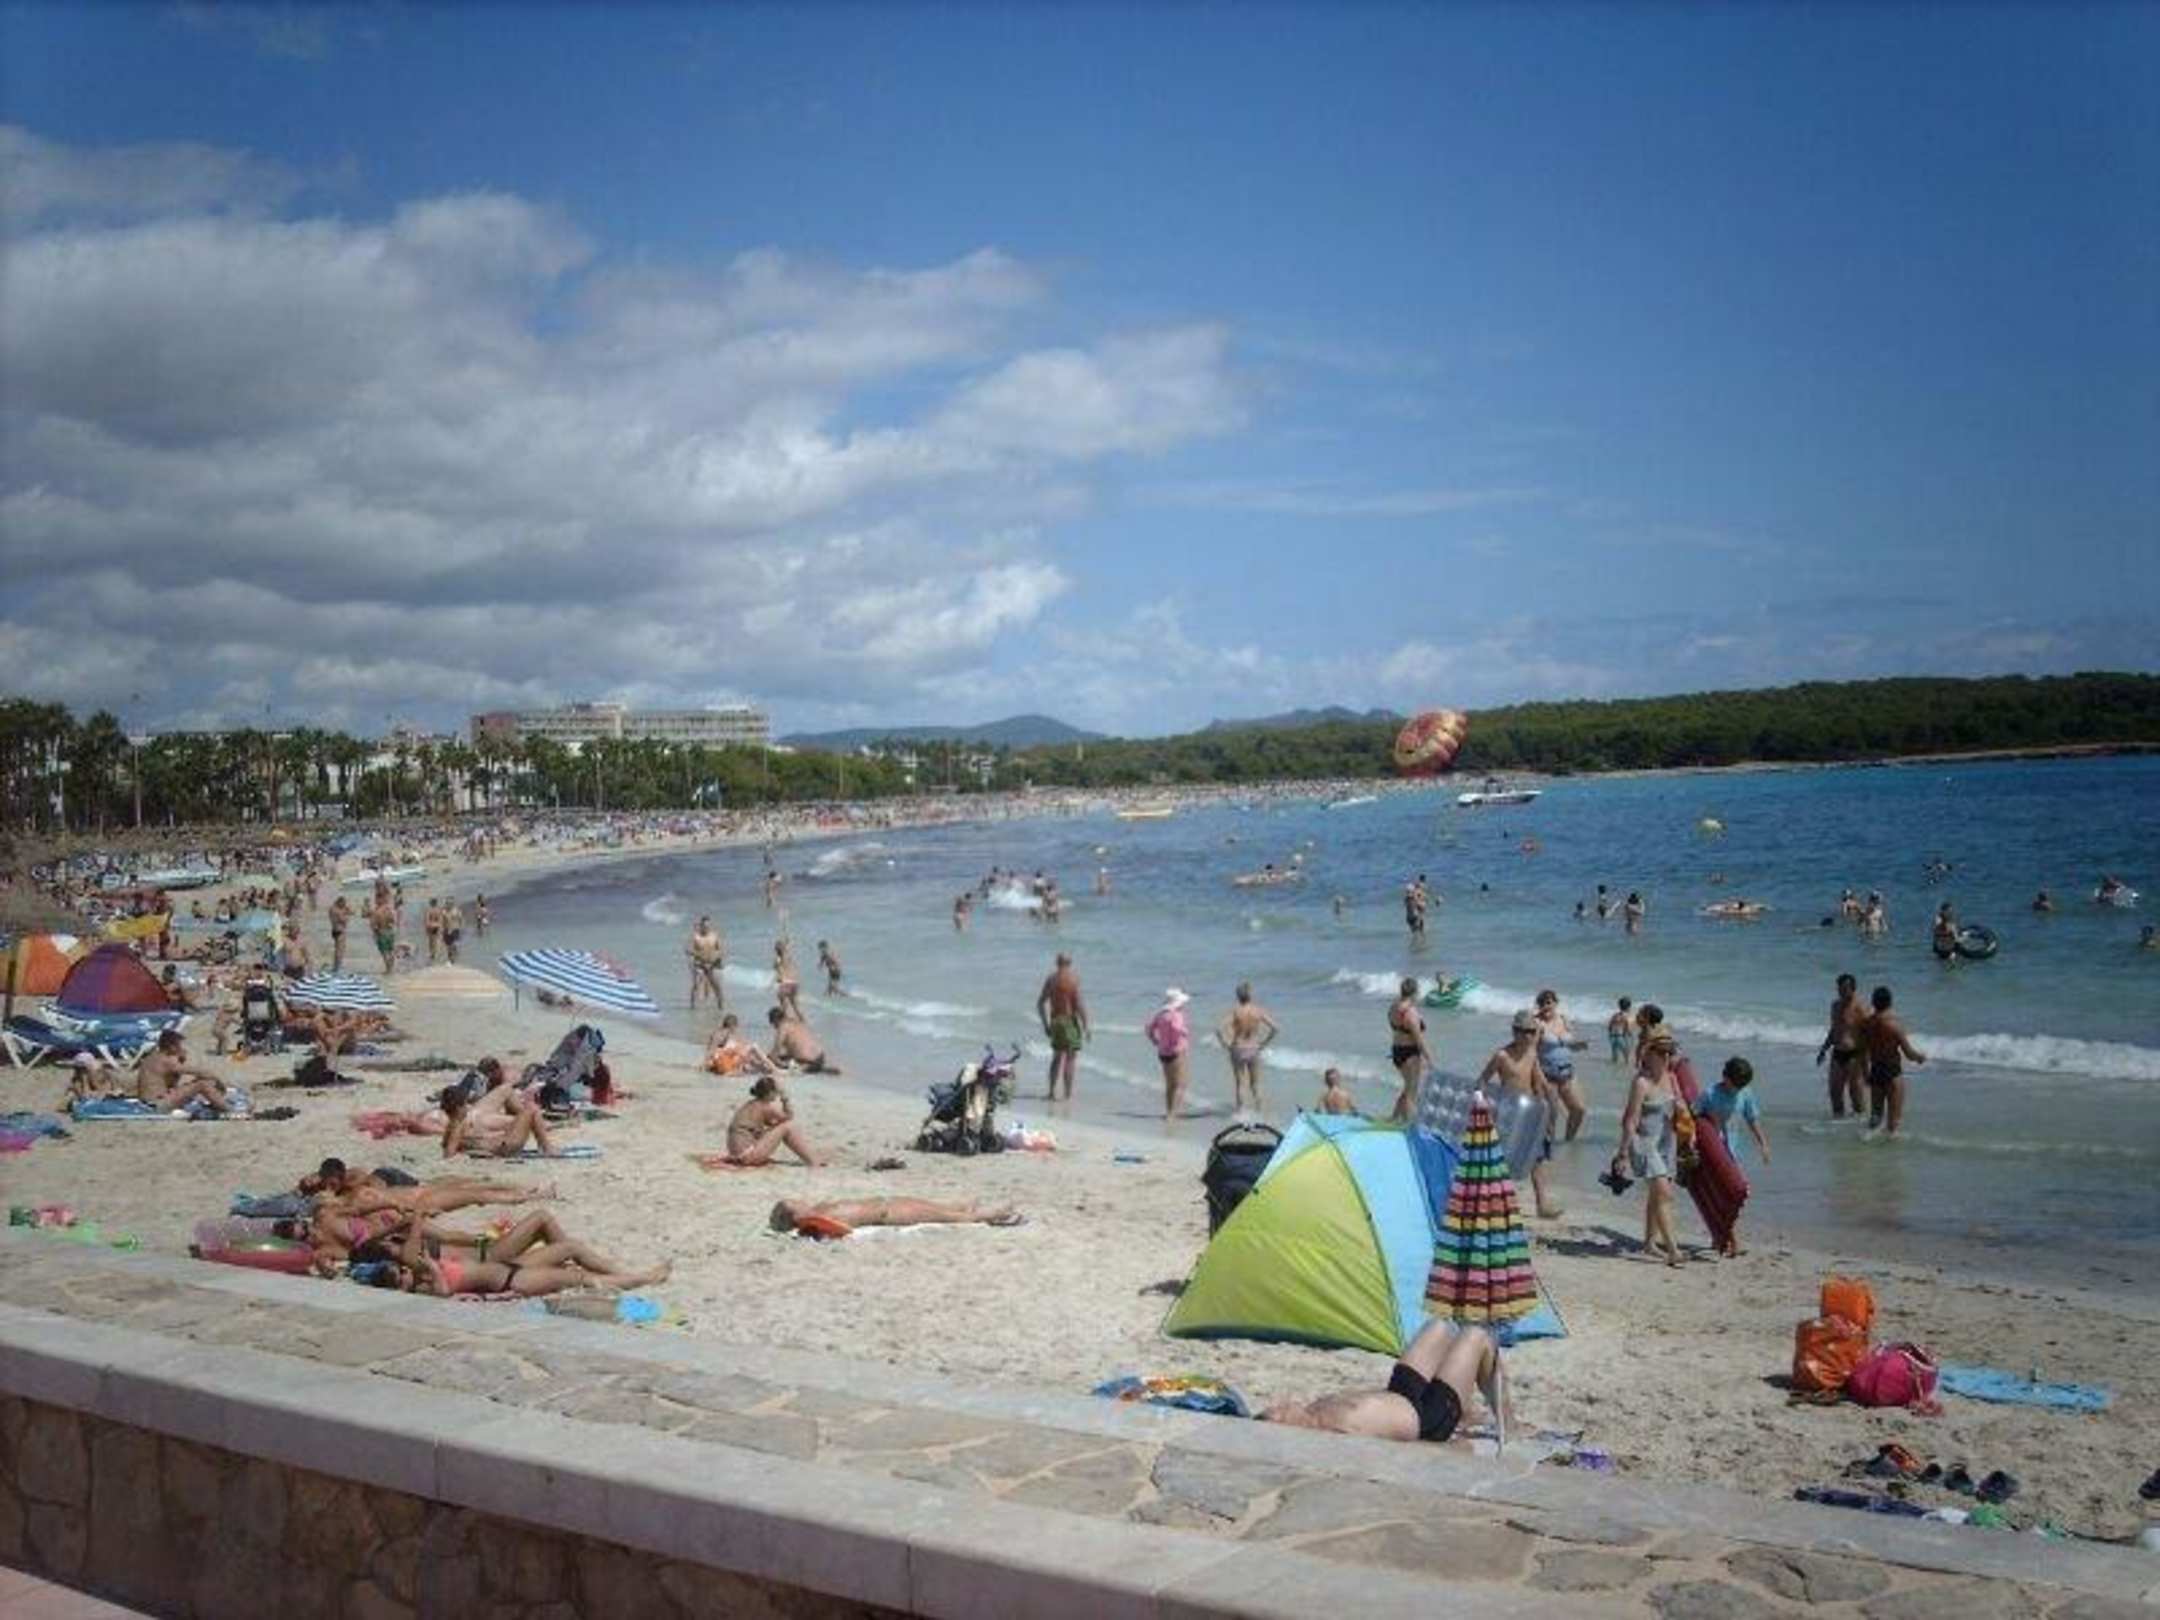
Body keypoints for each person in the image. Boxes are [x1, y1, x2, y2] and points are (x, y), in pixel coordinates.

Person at [1261, 1319, 1505, 1449]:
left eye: (1271, 1410)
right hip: (1428, 1420)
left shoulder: (1314, 1412)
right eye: (1278, 1415)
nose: (1278, 1407)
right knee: (1476, 1336)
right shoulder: (1334, 1433)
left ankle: (1467, 1411)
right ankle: (1509, 1422)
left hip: (1401, 1393)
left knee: (1439, 1326)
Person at [384, 1207, 670, 1297]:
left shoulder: (417, 1268)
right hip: (513, 1279)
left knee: (570, 1247)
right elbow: (443, 1293)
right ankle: (643, 1279)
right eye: (401, 1275)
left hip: (510, 1266)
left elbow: (447, 1238)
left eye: (401, 1270)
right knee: (577, 1279)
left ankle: (624, 1273)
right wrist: (431, 1266)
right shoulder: (424, 1285)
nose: (405, 1270)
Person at [1474, 1010, 1565, 1218]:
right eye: (1524, 1031)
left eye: (1532, 1032)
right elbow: (1482, 1081)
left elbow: (1539, 1082)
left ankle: (1542, 1205)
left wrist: (1549, 1108)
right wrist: (1484, 1104)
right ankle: (1492, 1202)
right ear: (1515, 1032)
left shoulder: (1532, 1053)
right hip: (1509, 1112)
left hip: (1530, 1111)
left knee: (1537, 1160)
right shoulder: (1502, 1056)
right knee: (1501, 1160)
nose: (1529, 1036)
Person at [1613, 1030, 1685, 1266]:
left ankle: (1649, 1243)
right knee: (1664, 1194)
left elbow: (1681, 1109)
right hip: (1643, 1143)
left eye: (1669, 1053)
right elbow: (1631, 1119)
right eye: (1661, 1053)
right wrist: (1622, 1153)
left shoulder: (1672, 1078)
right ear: (1649, 1053)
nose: (1666, 1057)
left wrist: (1687, 1129)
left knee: (1657, 1196)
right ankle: (1673, 1250)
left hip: (1666, 1143)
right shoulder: (1641, 1083)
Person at [1694, 1057, 1770, 1257]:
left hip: (1732, 1154)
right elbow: (1693, 1119)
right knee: (1728, 1195)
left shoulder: (1745, 1093)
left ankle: (1719, 1237)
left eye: (1741, 1086)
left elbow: (1752, 1118)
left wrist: (1763, 1143)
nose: (1737, 1090)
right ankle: (1732, 1242)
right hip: (1713, 1155)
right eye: (1735, 1085)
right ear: (1725, 1077)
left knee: (1734, 1194)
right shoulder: (1709, 1095)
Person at [768, 1196, 1021, 1235]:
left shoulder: (818, 1209)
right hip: (890, 1214)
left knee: (943, 1208)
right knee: (949, 1216)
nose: (799, 1200)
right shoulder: (815, 1220)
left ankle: (966, 1207)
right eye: (794, 1203)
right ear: (795, 1215)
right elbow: (841, 1230)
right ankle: (994, 1214)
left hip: (889, 1204)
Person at [1861, 985, 1926, 1136]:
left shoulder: (1867, 1024)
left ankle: (1867, 1141)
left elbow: (1863, 1051)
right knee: (1894, 1122)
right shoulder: (1894, 1025)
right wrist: (1920, 1057)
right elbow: (1909, 1054)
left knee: (1875, 1116)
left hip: (1875, 1070)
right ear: (1890, 1002)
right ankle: (1888, 1147)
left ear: (1873, 1002)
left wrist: (1865, 1072)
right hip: (1892, 1071)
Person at [723, 1077, 825, 1166]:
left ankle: (811, 1158)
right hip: (747, 1156)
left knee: (780, 1126)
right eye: (776, 1092)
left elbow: (771, 1126)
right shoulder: (765, 1107)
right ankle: (813, 1161)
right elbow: (789, 1116)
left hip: (738, 1155)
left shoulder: (750, 1104)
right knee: (788, 1127)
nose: (777, 1095)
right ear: (770, 1093)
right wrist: (785, 1098)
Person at [440, 1083, 559, 1158]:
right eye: (465, 1105)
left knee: (527, 1112)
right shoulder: (458, 1124)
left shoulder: (453, 1123)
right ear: (459, 1108)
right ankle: (547, 1148)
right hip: (506, 1147)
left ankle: (546, 1147)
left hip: (500, 1145)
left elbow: (446, 1144)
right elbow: (449, 1153)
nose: (467, 1107)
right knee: (532, 1109)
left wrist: (470, 1147)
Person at [1215, 981, 1279, 1117]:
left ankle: (1240, 1113)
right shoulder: (1258, 1011)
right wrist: (1264, 1043)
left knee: (1240, 1083)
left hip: (1238, 1048)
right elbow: (1275, 1028)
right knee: (1255, 1084)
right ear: (1250, 995)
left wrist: (1225, 1044)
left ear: (1238, 996)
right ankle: (1260, 1112)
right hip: (1254, 1048)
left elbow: (1219, 1029)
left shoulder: (1236, 1012)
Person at [134, 1030, 235, 1116]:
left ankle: (218, 1104)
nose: (181, 1048)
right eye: (178, 1045)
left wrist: (181, 1059)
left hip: (148, 1101)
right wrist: (219, 1081)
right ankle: (230, 1111)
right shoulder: (167, 1061)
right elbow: (201, 1072)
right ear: (171, 1046)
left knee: (199, 1082)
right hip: (158, 1104)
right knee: (202, 1085)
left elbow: (172, 1081)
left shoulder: (154, 1056)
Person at [1533, 989, 1588, 1140]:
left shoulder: (1564, 1019)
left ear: (1556, 1003)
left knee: (1579, 1110)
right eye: (1542, 1004)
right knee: (1551, 1117)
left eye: (1548, 1002)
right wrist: (1539, 1079)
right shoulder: (1537, 1023)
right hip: (1547, 1076)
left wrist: (1579, 1046)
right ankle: (1548, 1150)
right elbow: (1531, 1052)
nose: (1545, 1006)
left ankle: (1568, 1143)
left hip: (1568, 1074)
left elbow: (1571, 1045)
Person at [1036, 951, 1088, 1103]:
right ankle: (1067, 1095)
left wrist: (1045, 1024)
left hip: (1055, 1020)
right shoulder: (1073, 979)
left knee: (1056, 1058)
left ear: (1057, 963)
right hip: (1069, 1021)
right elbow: (1079, 1004)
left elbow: (1040, 1003)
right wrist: (1086, 1025)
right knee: (1070, 1059)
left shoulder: (1051, 979)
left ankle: (1051, 1092)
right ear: (1070, 963)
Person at [1814, 973, 1868, 1118]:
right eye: (1839, 989)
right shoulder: (1835, 1006)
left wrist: (1865, 1064)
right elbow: (1834, 1030)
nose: (1841, 992)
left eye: (1845, 989)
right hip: (1837, 1053)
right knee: (1834, 1092)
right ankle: (1837, 1123)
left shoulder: (1861, 1008)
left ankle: (1859, 1123)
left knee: (1855, 1094)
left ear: (1853, 989)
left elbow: (1867, 1036)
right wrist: (1823, 1050)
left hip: (1854, 1055)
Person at [1146, 987, 1193, 1123]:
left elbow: (1148, 1028)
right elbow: (1176, 1028)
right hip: (1177, 1052)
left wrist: (1155, 1041)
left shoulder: (1161, 1014)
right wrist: (1184, 1033)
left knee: (1170, 1084)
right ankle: (1173, 1114)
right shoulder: (1177, 1015)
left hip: (1163, 1052)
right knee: (1181, 1084)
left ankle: (1169, 1111)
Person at [1385, 978, 1429, 1123]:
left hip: (1397, 1050)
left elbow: (1397, 1027)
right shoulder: (1410, 1012)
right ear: (1414, 992)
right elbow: (1418, 1038)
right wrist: (1428, 1057)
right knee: (1412, 1091)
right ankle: (1410, 1124)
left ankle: (1394, 1118)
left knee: (1408, 1087)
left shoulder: (1393, 1007)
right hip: (1410, 1053)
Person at [767, 1005, 839, 1074]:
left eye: (772, 1023)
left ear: (775, 1020)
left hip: (807, 1062)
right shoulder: (795, 1022)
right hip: (820, 1058)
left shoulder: (782, 1028)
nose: (773, 1026)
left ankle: (809, 1068)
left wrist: (769, 1059)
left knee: (773, 1061)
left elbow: (776, 1051)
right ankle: (819, 1069)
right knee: (786, 1057)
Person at [705, 1013, 775, 1076]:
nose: (736, 1029)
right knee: (753, 1048)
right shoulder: (723, 1034)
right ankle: (773, 1069)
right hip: (725, 1063)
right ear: (733, 1025)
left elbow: (711, 1050)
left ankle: (766, 1068)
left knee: (749, 1057)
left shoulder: (721, 1033)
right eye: (736, 1026)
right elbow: (712, 1050)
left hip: (726, 1062)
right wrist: (706, 1063)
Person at [687, 916, 726, 1011]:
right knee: (696, 985)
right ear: (701, 926)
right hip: (699, 963)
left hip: (712, 964)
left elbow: (721, 950)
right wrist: (699, 955)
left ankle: (721, 1008)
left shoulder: (714, 936)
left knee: (717, 986)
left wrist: (717, 958)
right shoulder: (696, 937)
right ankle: (692, 1008)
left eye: (708, 926)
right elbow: (687, 949)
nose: (706, 928)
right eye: (704, 926)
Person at [369, 892, 398, 974]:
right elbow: (393, 921)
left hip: (381, 932)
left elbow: (373, 925)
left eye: (376, 899)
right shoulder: (389, 909)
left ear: (379, 900)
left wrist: (375, 933)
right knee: (391, 950)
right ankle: (391, 968)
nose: (375, 901)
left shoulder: (376, 911)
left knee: (384, 952)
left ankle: (388, 969)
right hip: (390, 932)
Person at [1607, 997, 1635, 1066]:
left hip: (1612, 1037)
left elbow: (1610, 1026)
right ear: (1629, 1007)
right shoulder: (1626, 1016)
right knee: (1626, 1053)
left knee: (1615, 1054)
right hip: (1621, 1037)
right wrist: (1630, 1035)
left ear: (1619, 1006)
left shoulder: (1615, 1015)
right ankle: (1626, 1066)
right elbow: (1627, 1027)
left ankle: (1614, 1065)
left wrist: (1610, 1034)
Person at [328, 895, 351, 972]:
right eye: (343, 904)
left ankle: (336, 966)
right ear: (340, 902)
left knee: (337, 950)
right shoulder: (337, 911)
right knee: (340, 950)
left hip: (334, 930)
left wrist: (345, 911)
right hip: (340, 931)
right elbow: (343, 919)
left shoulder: (332, 909)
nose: (344, 905)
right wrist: (346, 915)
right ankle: (337, 967)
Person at [441, 898, 464, 963]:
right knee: (448, 946)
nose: (448, 904)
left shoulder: (456, 911)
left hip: (455, 929)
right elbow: (442, 921)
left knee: (452, 944)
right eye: (447, 903)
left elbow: (461, 919)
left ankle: (452, 958)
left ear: (452, 904)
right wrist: (441, 930)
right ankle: (450, 958)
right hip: (446, 930)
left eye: (450, 903)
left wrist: (461, 927)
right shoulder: (444, 911)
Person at [423, 899, 444, 965]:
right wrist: (441, 927)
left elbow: (426, 920)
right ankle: (438, 954)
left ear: (431, 903)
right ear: (436, 903)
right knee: (437, 941)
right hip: (437, 926)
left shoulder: (429, 910)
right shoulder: (439, 910)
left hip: (431, 926)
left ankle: (432, 955)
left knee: (431, 942)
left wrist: (426, 928)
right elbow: (441, 920)